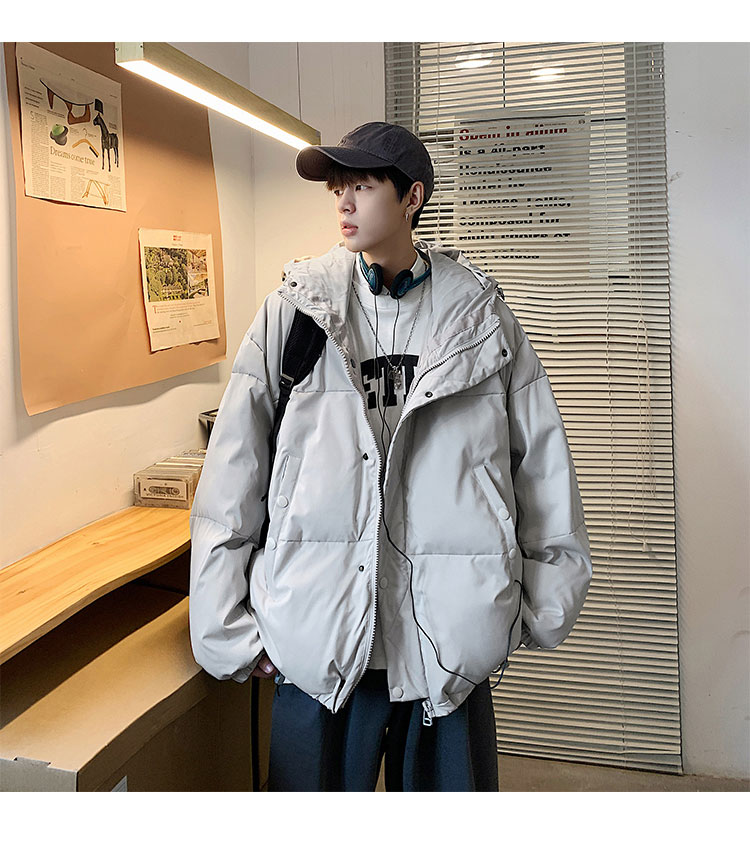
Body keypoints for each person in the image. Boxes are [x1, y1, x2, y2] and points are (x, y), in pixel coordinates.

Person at [188, 121, 593, 791]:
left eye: (364, 186)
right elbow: (234, 472)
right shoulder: (296, 312)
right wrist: (225, 625)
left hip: (445, 645)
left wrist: (536, 602)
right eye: (337, 189)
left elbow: (540, 462)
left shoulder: (478, 316)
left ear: (412, 198)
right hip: (318, 636)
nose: (344, 202)